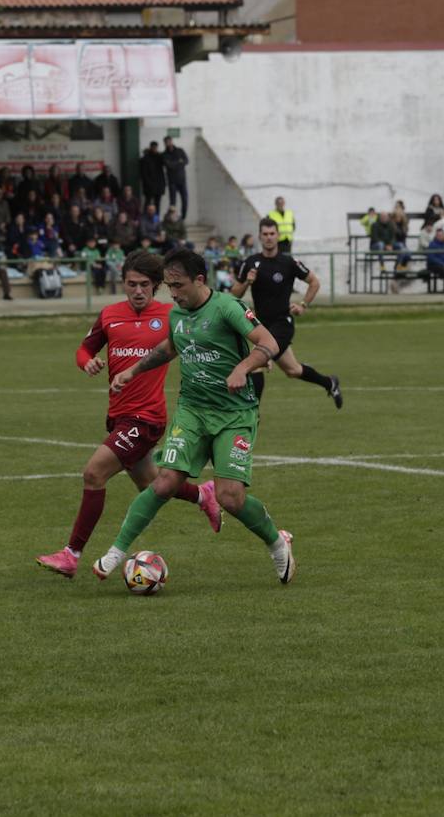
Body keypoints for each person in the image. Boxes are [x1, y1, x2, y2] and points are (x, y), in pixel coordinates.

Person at [91, 248, 296, 584]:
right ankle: (116, 551)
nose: (172, 293)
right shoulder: (177, 314)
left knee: (231, 497)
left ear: (199, 280)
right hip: (192, 412)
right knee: (165, 482)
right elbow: (170, 348)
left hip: (234, 414)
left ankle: (277, 542)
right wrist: (132, 371)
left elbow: (268, 342)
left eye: (178, 285)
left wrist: (243, 368)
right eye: (169, 286)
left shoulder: (228, 307)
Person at [36, 251, 223, 579]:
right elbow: (84, 349)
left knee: (93, 473)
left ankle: (71, 554)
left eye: (145, 285)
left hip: (147, 418)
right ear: (123, 283)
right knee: (153, 484)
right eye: (131, 284)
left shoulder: (170, 315)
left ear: (156, 287)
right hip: (119, 417)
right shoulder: (110, 315)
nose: (137, 291)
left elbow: (202, 339)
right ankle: (202, 494)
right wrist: (87, 363)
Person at [231, 217, 342, 408]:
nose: (269, 238)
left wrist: (303, 304)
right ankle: (330, 383)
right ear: (259, 236)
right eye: (265, 234)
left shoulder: (288, 262)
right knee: (293, 370)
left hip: (283, 323)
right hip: (261, 326)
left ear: (278, 236)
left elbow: (314, 282)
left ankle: (252, 415)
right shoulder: (251, 262)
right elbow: (234, 293)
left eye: (272, 234)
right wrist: (248, 282)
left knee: (255, 362)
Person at [162, 136, 190, 220]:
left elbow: (186, 161)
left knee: (185, 200)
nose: (168, 143)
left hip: (182, 180)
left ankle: (183, 218)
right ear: (165, 143)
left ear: (172, 141)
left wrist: (174, 163)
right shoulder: (164, 154)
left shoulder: (180, 150)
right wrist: (179, 162)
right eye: (166, 142)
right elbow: (168, 165)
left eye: (169, 141)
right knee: (172, 202)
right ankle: (172, 219)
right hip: (172, 181)